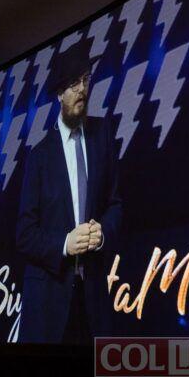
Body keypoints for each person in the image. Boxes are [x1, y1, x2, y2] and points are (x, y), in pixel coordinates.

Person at [16, 42, 121, 344]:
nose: (82, 90)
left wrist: (103, 233)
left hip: (93, 300)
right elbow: (24, 234)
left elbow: (115, 205)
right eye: (74, 84)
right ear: (59, 94)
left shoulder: (103, 135)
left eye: (86, 80)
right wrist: (64, 244)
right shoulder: (39, 156)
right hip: (48, 302)